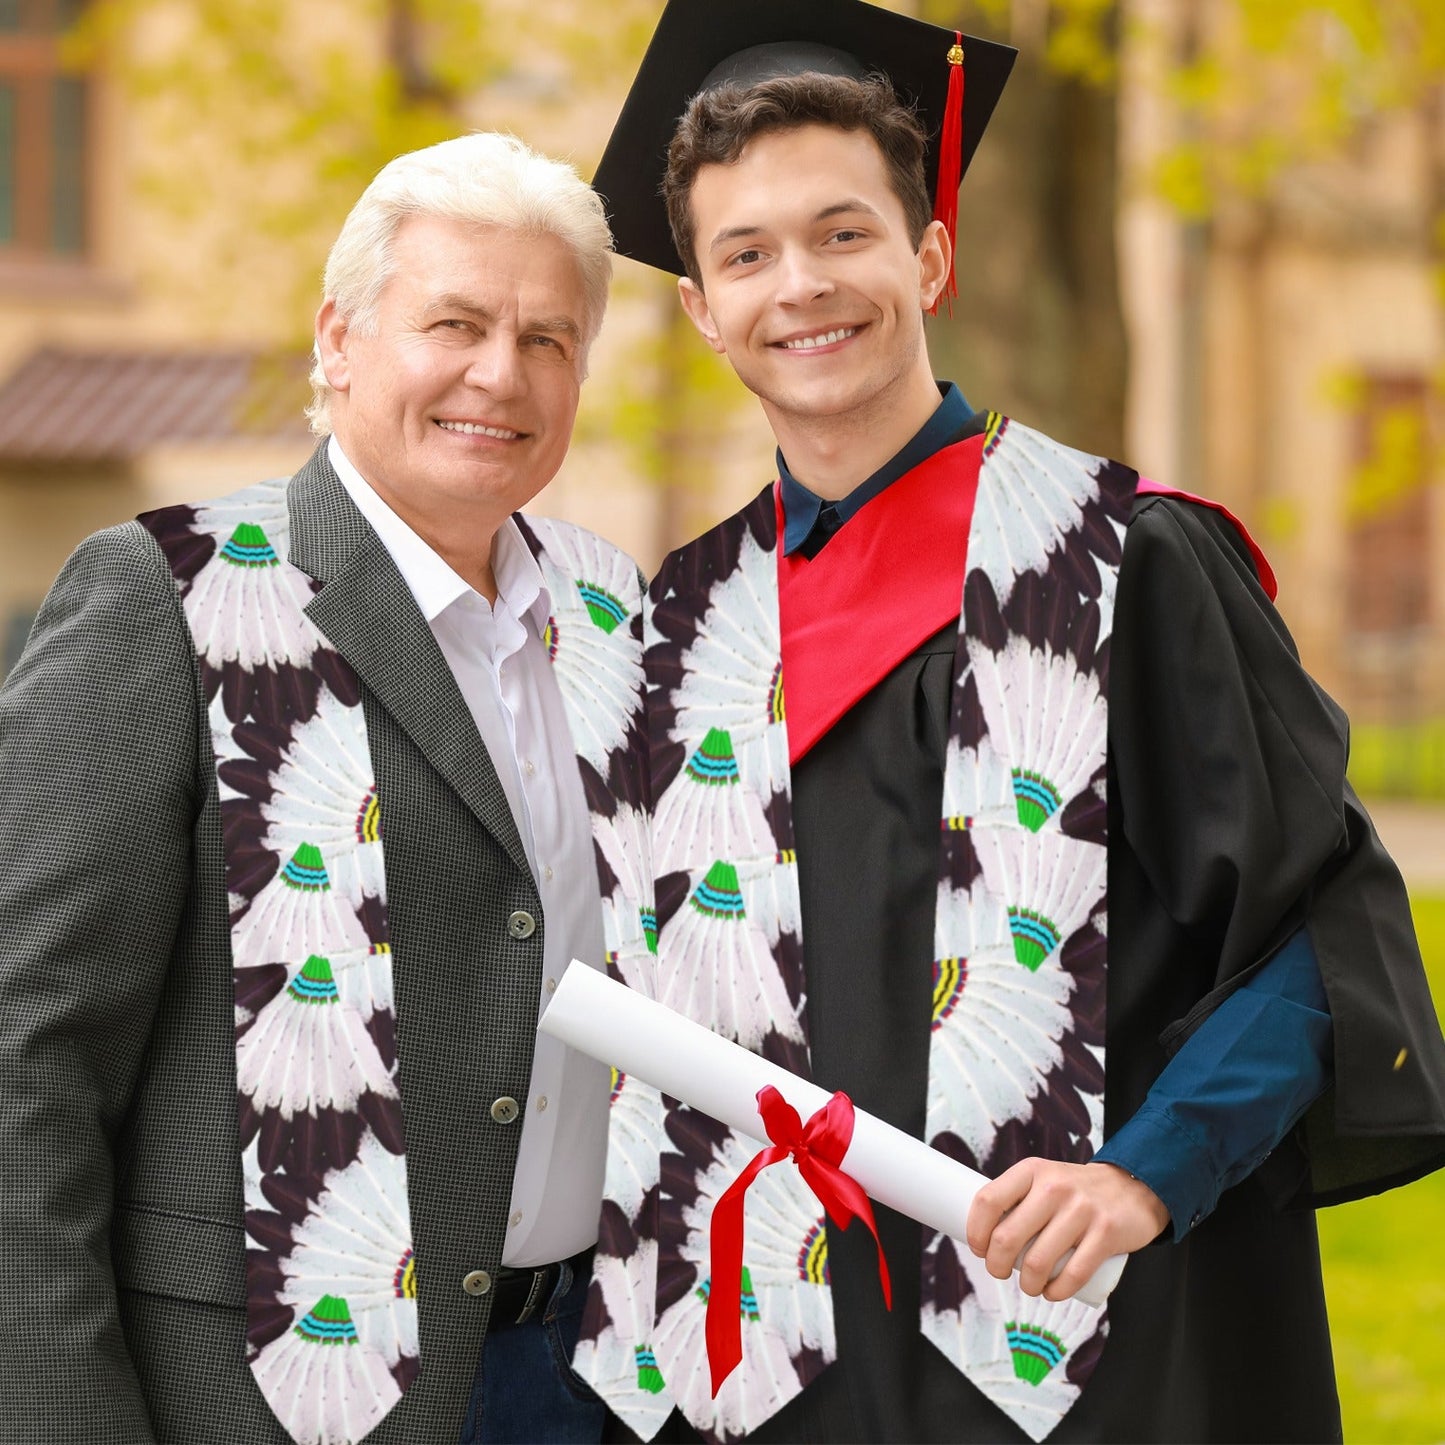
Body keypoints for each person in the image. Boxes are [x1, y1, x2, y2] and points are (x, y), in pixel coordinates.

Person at [570, 2, 1445, 1442]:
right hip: (780, 1370)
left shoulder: (1125, 563)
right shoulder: (682, 626)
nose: (800, 285)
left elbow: (1318, 932)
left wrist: (1143, 1173)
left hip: (1088, 1342)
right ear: (701, 307)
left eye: (842, 233)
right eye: (746, 254)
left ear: (928, 254)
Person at [0, 131, 651, 1445]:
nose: (498, 373)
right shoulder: (173, 596)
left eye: (546, 338)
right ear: (339, 340)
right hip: (267, 1396)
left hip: (588, 1382)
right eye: (454, 322)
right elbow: (27, 1055)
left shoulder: (618, 617)